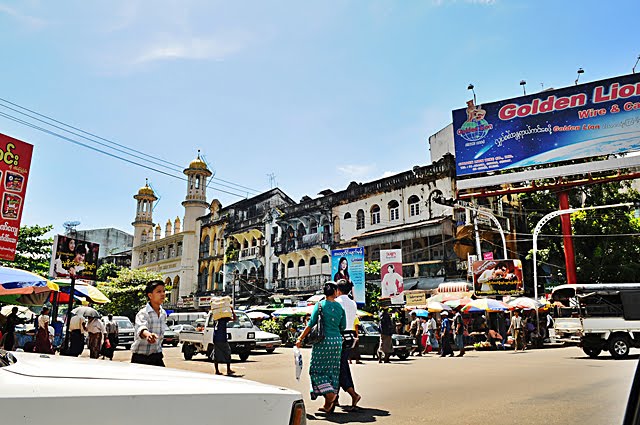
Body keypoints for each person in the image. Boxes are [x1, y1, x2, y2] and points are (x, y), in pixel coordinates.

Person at [296, 282, 346, 414]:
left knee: (316, 370)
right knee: (332, 371)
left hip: (323, 341)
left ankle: (330, 395)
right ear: (335, 292)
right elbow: (343, 327)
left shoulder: (319, 305)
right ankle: (328, 403)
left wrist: (300, 338)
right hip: (337, 341)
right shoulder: (340, 307)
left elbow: (311, 324)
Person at [335, 279, 362, 411]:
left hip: (340, 335)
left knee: (338, 367)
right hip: (350, 336)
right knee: (341, 365)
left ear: (338, 290)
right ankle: (335, 397)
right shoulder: (352, 303)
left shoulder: (337, 302)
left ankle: (351, 394)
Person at [131, 280, 167, 366]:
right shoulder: (143, 313)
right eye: (159, 292)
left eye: (164, 291)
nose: (163, 294)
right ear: (150, 295)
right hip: (141, 358)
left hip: (156, 356)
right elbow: (141, 328)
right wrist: (148, 335)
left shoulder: (163, 313)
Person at [212, 311, 237, 376]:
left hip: (215, 338)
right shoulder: (224, 318)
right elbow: (234, 319)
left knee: (216, 354)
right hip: (222, 339)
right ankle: (228, 370)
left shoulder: (215, 319)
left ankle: (217, 370)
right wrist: (232, 311)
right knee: (227, 353)